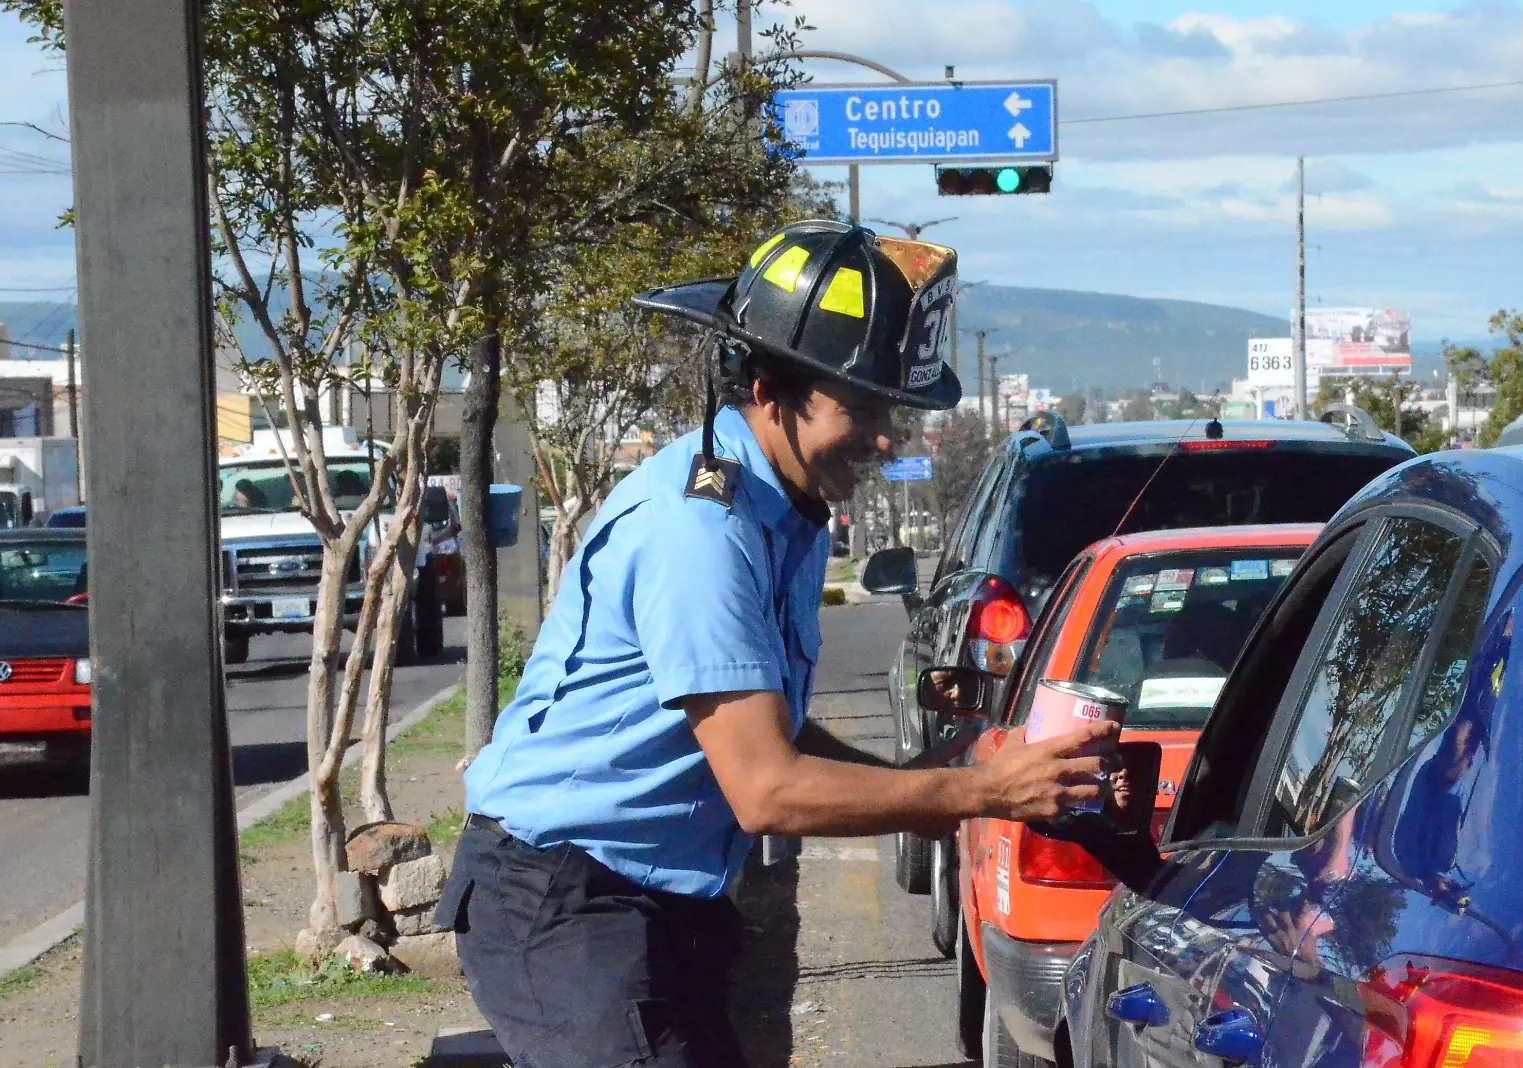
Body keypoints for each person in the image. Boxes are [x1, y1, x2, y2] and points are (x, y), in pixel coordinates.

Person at [437, 220, 1116, 1068]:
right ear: (767, 390)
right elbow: (766, 790)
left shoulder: (782, 509)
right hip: (562, 896)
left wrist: (931, 773)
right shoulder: (702, 532)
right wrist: (977, 791)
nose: (884, 438)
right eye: (862, 407)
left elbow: (773, 735)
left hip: (658, 895)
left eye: (890, 409)